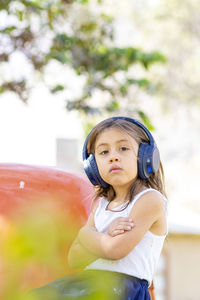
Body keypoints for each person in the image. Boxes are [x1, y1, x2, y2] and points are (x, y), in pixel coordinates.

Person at [30, 116, 168, 300]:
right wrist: (105, 235)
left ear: (146, 157)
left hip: (124, 289)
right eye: (104, 152)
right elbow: (75, 258)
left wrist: (85, 235)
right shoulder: (101, 204)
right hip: (90, 283)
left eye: (123, 148)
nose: (113, 157)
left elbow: (115, 251)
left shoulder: (149, 199)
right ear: (93, 166)